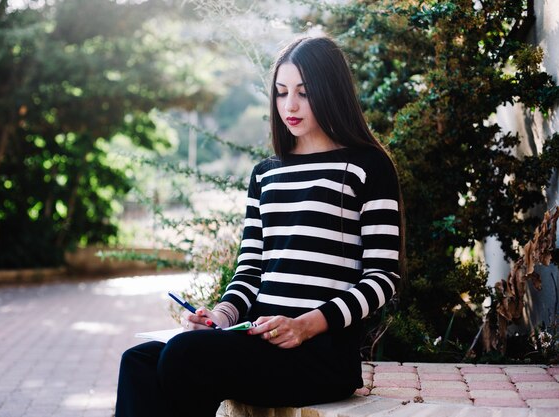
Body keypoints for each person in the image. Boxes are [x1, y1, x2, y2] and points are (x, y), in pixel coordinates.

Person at [115, 35, 404, 417]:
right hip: (256, 340)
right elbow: (250, 271)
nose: (290, 105)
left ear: (331, 92)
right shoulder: (266, 174)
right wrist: (219, 318)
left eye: (304, 92)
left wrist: (305, 325)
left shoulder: (368, 167)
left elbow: (383, 278)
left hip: (320, 355)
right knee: (137, 360)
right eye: (282, 93)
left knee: (185, 357)